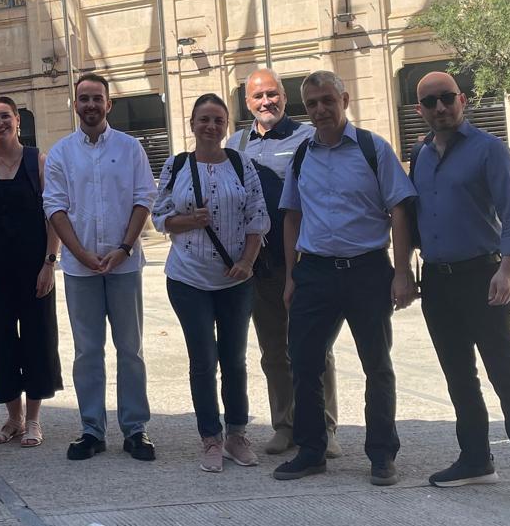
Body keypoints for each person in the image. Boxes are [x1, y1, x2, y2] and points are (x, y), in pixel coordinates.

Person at [411, 71, 510, 514]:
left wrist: (507, 271)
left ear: (463, 100)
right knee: (458, 375)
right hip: (437, 280)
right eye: (430, 101)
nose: (440, 107)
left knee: (505, 375)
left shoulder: (489, 150)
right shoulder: (419, 154)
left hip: (483, 276)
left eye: (447, 98)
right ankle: (475, 458)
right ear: (420, 109)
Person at [274, 70, 417, 487]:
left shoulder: (373, 149)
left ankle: (382, 455)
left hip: (367, 271)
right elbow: (291, 217)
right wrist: (291, 276)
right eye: (312, 103)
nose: (320, 110)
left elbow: (400, 210)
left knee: (377, 365)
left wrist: (402, 271)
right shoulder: (303, 154)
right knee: (304, 363)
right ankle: (311, 451)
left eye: (327, 101)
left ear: (345, 100)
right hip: (315, 272)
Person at [43, 73, 157, 462]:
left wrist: (124, 248)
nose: (90, 104)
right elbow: (54, 206)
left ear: (109, 104)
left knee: (131, 350)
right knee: (87, 351)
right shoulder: (61, 153)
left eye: (97, 98)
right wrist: (78, 253)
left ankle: (135, 429)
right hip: (81, 270)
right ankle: (92, 429)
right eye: (84, 98)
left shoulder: (130, 148)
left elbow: (144, 197)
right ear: (74, 104)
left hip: (124, 265)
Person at [227, 69, 340, 457]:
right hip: (262, 267)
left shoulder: (308, 138)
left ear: (284, 96)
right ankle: (285, 425)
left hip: (306, 262)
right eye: (258, 97)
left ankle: (324, 428)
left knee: (315, 348)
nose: (266, 102)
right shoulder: (237, 144)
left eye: (272, 94)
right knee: (273, 351)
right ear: (247, 103)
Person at [154, 93, 269, 472]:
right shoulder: (177, 165)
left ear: (226, 126)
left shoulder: (241, 163)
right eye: (204, 119)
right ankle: (210, 438)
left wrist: (247, 262)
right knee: (203, 360)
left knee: (234, 359)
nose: (211, 126)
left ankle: (236, 434)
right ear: (192, 124)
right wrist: (191, 220)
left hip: (235, 280)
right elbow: (159, 216)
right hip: (188, 279)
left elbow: (257, 216)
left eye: (218, 120)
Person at [0, 94, 61, 448]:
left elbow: (53, 214)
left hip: (34, 265)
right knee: (0, 340)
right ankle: (13, 417)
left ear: (18, 120)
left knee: (38, 338)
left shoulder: (38, 161)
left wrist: (49, 263)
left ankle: (33, 419)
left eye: (4, 116)